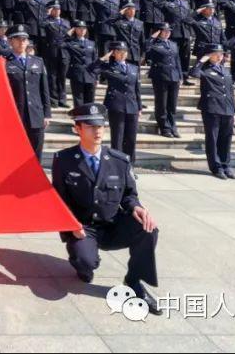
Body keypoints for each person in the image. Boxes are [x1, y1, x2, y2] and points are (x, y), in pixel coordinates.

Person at [50, 103, 160, 315]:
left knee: (148, 229)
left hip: (113, 224)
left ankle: (134, 281)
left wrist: (136, 207)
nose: (98, 131)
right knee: (86, 263)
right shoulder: (63, 161)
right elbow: (58, 200)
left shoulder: (119, 160)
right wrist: (71, 226)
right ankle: (81, 260)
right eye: (91, 126)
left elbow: (129, 195)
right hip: (83, 228)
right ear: (77, 129)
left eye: (101, 125)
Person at [188, 44, 235, 180]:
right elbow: (193, 73)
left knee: (226, 139)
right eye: (216, 53)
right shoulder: (205, 70)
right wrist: (202, 60)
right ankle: (216, 167)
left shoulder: (225, 70)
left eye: (221, 53)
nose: (219, 56)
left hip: (227, 109)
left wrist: (234, 111)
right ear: (209, 55)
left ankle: (226, 165)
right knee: (212, 139)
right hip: (212, 109)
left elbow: (230, 92)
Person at [88, 41, 143, 163]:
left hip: (132, 106)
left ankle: (129, 167)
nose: (123, 54)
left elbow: (136, 89)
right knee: (117, 138)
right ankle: (117, 165)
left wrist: (139, 106)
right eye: (119, 51)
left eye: (124, 51)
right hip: (116, 106)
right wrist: (103, 58)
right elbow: (91, 69)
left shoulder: (134, 68)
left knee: (131, 139)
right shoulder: (109, 67)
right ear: (114, 53)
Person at [2, 24, 51, 160]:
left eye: (24, 39)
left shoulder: (38, 62)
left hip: (36, 114)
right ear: (10, 41)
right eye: (17, 39)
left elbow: (44, 89)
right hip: (16, 114)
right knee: (16, 152)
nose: (21, 42)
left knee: (36, 152)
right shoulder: (4, 63)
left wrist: (47, 114)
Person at [144, 23, 182, 138]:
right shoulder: (154, 44)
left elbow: (177, 61)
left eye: (168, 31)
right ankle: (164, 127)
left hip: (174, 76)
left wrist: (180, 76)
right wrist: (153, 36)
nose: (167, 33)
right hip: (160, 76)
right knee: (162, 103)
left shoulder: (173, 44)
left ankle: (172, 125)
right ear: (159, 32)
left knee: (172, 104)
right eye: (164, 31)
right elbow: (145, 47)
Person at [63, 21, 97, 106]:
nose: (82, 30)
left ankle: (89, 119)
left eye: (84, 28)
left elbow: (95, 60)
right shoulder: (71, 43)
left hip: (90, 75)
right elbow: (58, 43)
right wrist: (68, 34)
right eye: (79, 28)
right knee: (78, 99)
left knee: (90, 100)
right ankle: (79, 119)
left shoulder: (91, 43)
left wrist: (96, 76)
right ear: (75, 30)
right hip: (77, 75)